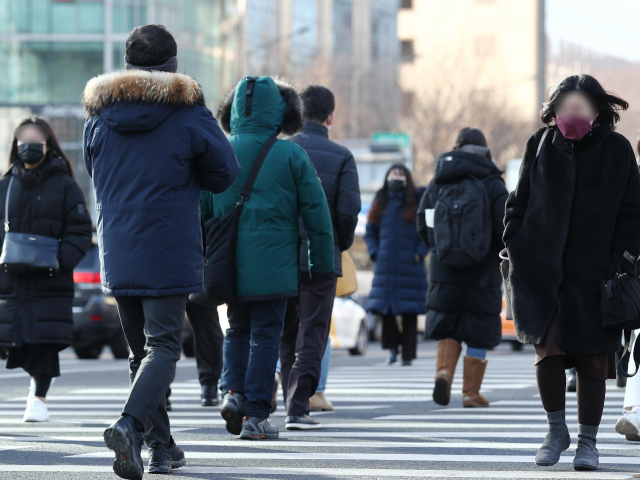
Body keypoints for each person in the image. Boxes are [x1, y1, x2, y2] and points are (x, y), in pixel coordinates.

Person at [82, 25, 239, 479]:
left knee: (141, 353)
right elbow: (225, 172)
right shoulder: (188, 113)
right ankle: (130, 425)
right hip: (168, 245)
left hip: (118, 243)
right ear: (173, 64)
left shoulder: (99, 116)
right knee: (164, 346)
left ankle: (162, 448)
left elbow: (96, 172)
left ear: (129, 65)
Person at [504, 74, 640, 471]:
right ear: (553, 110)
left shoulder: (616, 150)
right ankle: (555, 430)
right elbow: (519, 200)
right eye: (564, 107)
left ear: (597, 112)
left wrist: (623, 262)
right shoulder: (541, 144)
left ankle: (588, 442)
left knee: (593, 361)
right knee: (547, 352)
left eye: (579, 108)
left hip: (597, 275)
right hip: (542, 272)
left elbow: (633, 213)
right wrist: (516, 241)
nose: (571, 115)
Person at [202, 76, 334, 440]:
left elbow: (202, 209)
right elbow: (317, 216)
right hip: (275, 269)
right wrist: (320, 265)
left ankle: (232, 392)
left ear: (235, 111)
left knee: (237, 329)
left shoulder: (219, 151)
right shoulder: (291, 154)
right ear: (281, 111)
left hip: (228, 265)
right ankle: (256, 415)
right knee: (265, 337)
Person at [0, 118, 92, 423]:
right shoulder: (6, 184)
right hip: (10, 279)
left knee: (44, 341)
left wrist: (60, 262)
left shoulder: (65, 185)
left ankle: (38, 396)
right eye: (23, 138)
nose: (28, 144)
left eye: (35, 139)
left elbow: (80, 230)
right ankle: (32, 388)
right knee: (12, 339)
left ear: (47, 143)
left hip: (49, 280)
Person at [280, 84, 360, 430]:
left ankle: (288, 399)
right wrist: (337, 245)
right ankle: (298, 407)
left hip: (281, 256)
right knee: (312, 332)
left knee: (285, 332)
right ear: (330, 116)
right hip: (320, 257)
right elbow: (348, 211)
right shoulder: (342, 156)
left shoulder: (281, 151)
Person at [417, 127, 508, 408]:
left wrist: (438, 247)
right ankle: (470, 393)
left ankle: (443, 372)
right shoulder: (493, 182)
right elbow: (504, 226)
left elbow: (423, 220)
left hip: (444, 268)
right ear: (484, 150)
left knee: (448, 323)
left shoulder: (439, 181)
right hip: (482, 270)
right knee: (478, 325)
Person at [365, 164, 428, 366]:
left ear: (407, 178)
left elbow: (428, 231)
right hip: (386, 267)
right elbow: (370, 231)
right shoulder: (380, 200)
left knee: (409, 313)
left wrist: (419, 253)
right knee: (386, 310)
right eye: (393, 173)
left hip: (411, 266)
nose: (396, 177)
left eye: (401, 174)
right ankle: (392, 349)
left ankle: (408, 355)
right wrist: (375, 252)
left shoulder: (417, 200)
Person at [165, 301, 224, 410]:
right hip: (197, 285)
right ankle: (209, 388)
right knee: (206, 327)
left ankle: (161, 393)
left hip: (168, 285)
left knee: (164, 331)